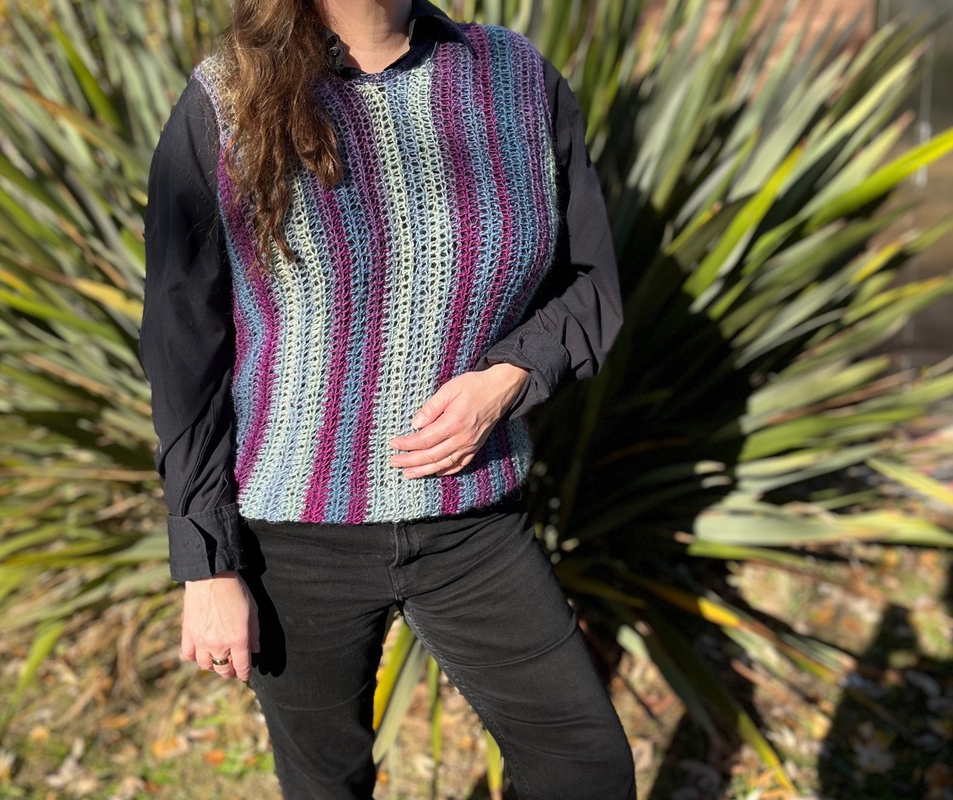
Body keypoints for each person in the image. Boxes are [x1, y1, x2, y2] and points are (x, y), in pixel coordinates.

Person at [138, 0, 634, 796]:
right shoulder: (229, 95)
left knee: (584, 765)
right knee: (325, 784)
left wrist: (504, 380)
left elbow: (587, 281)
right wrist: (208, 566)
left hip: (470, 519)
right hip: (290, 538)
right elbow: (182, 340)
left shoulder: (514, 77)